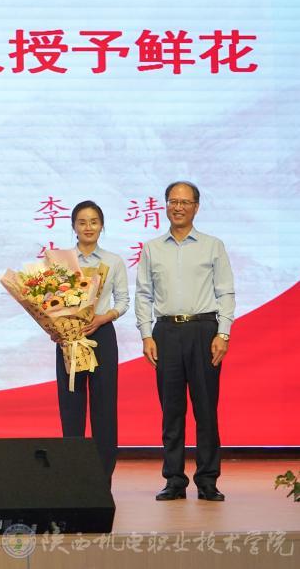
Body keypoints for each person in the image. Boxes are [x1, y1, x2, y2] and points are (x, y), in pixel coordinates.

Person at [136, 181, 235, 502]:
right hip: (166, 332)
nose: (178, 207)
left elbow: (226, 292)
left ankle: (207, 480)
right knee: (171, 411)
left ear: (196, 207)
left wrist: (223, 333)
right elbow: (143, 294)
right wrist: (146, 334)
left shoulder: (212, 246)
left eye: (185, 202)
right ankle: (174, 480)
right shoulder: (152, 248)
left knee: (206, 410)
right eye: (172, 201)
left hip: (204, 330)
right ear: (165, 205)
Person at [57, 201, 129, 486]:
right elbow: (49, 301)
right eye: (82, 222)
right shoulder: (62, 261)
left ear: (102, 226)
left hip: (102, 335)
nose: (88, 227)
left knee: (104, 407)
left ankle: (102, 478)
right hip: (69, 337)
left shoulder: (113, 261)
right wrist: (55, 327)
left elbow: (123, 301)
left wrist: (104, 317)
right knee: (71, 406)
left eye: (94, 221)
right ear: (73, 226)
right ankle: (73, 477)